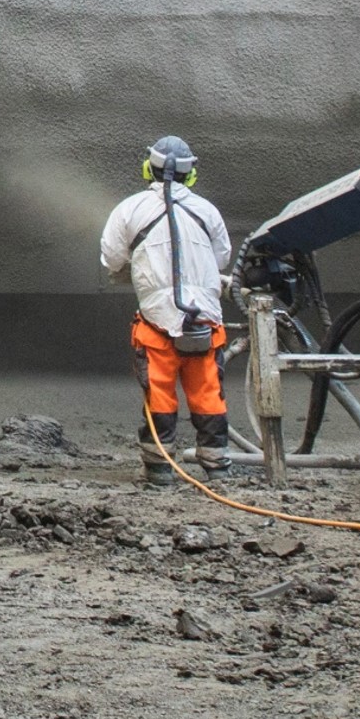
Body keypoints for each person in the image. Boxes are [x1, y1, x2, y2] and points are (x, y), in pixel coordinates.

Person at [101, 134, 235, 483]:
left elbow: (112, 259)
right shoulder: (207, 211)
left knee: (159, 394)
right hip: (204, 323)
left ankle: (160, 469)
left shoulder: (129, 209)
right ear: (192, 175)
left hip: (157, 323)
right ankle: (217, 466)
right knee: (207, 393)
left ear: (148, 168)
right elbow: (221, 258)